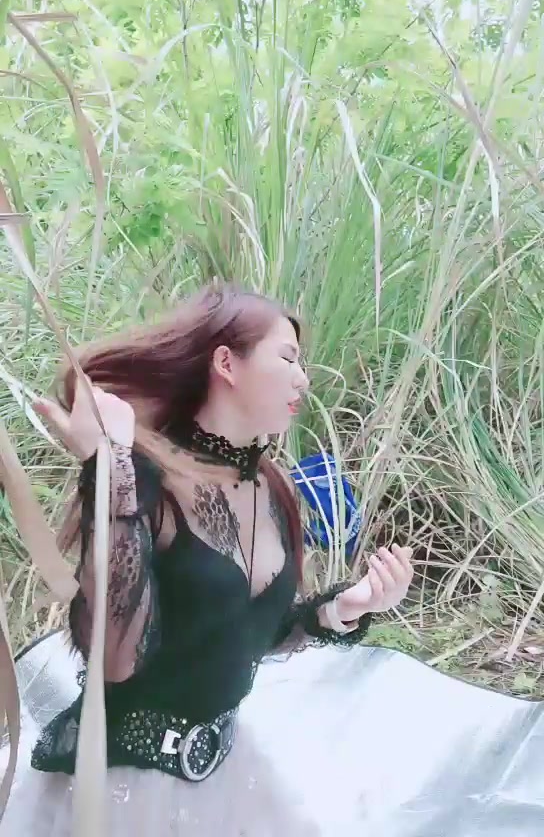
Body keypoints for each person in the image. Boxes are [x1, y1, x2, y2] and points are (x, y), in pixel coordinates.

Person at [1, 284, 413, 836]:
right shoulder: (145, 480)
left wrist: (339, 609)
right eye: (288, 358)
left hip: (227, 774)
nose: (303, 378)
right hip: (125, 791)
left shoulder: (271, 487)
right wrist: (109, 468)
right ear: (226, 363)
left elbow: (238, 635)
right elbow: (116, 658)